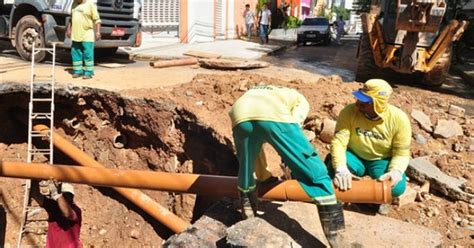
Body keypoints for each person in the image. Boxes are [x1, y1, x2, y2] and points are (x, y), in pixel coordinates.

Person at [229, 85, 345, 246]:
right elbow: (293, 126)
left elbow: (258, 149)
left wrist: (265, 178)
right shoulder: (300, 99)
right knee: (315, 172)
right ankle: (337, 238)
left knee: (247, 165)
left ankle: (249, 217)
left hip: (239, 113)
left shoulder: (262, 91)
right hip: (270, 114)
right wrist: (290, 154)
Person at [326, 79, 411, 214]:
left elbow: (401, 153)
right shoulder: (349, 112)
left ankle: (373, 200)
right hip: (354, 156)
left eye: (365, 101)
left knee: (396, 187)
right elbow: (339, 142)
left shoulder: (399, 119)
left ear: (379, 103)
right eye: (358, 98)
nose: (358, 103)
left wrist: (396, 171)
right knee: (333, 167)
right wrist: (340, 168)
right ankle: (341, 196)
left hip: (380, 160)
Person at [38, 180, 83, 248]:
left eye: (66, 196)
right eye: (63, 196)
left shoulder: (76, 210)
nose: (64, 198)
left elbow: (67, 213)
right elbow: (38, 196)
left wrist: (57, 195)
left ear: (72, 197)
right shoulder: (54, 206)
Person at [66, 0, 101, 79]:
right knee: (75, 53)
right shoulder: (74, 4)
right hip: (76, 34)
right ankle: (78, 71)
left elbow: (97, 20)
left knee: (88, 53)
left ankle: (88, 72)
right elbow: (71, 18)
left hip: (87, 34)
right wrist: (68, 29)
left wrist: (98, 32)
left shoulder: (90, 4)